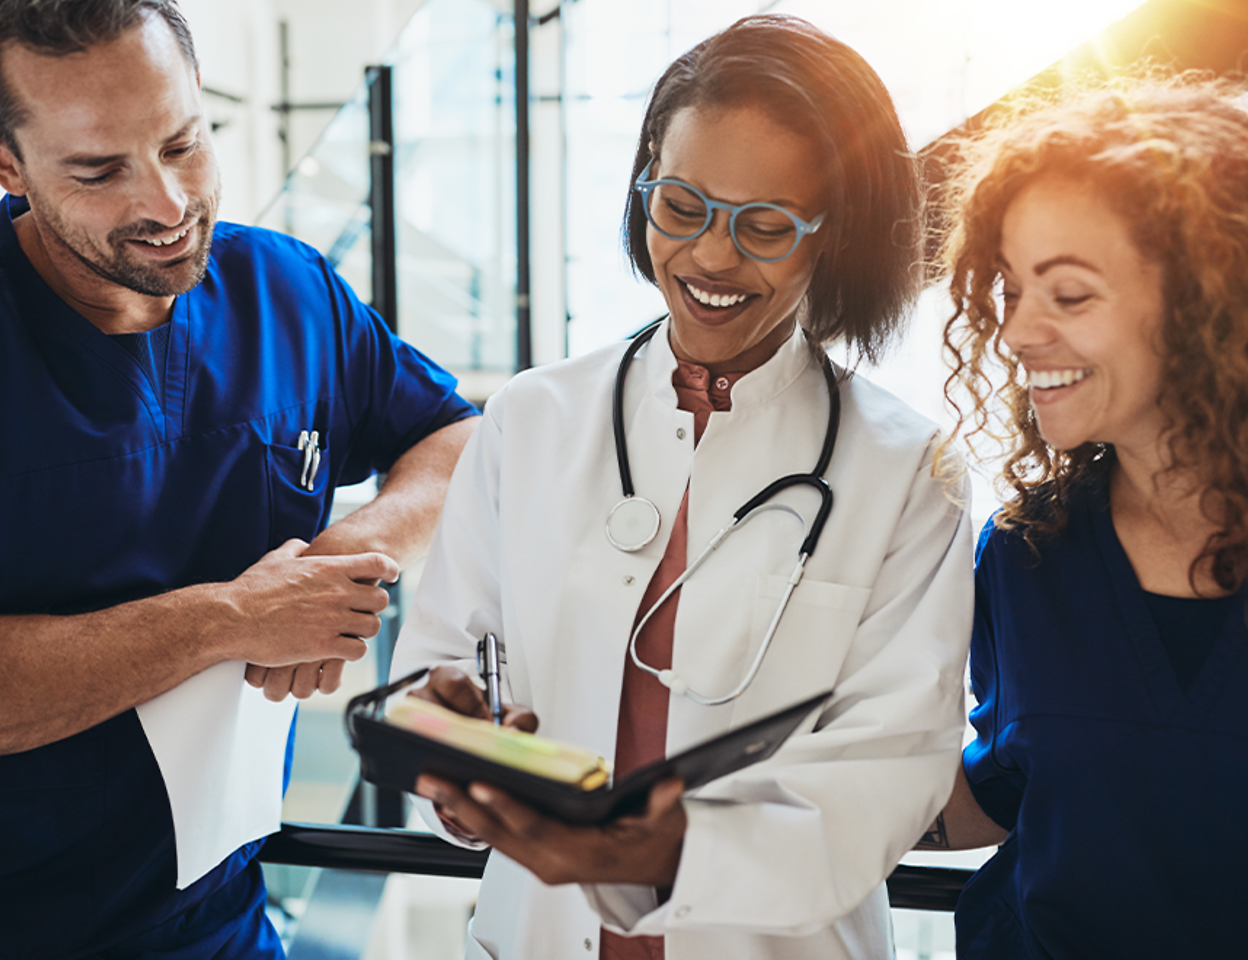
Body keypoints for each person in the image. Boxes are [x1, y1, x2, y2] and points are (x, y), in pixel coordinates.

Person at [389, 14, 974, 960]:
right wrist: (453, 752)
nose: (709, 257)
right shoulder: (531, 420)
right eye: (682, 206)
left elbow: (892, 763)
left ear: (836, 236)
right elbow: (436, 667)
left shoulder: (907, 469)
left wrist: (686, 849)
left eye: (766, 226)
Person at [0, 1, 478, 956]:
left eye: (184, 143)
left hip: (223, 918)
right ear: (3, 163)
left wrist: (353, 555)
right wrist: (231, 621)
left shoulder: (287, 289)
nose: (165, 203)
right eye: (99, 170)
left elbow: (452, 437)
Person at [926, 77, 1248, 957]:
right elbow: (1001, 798)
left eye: (1067, 295)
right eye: (1012, 289)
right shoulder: (1028, 557)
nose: (1020, 331)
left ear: (1207, 300)